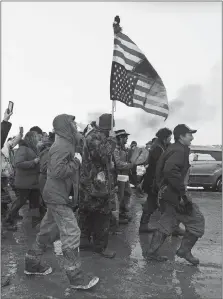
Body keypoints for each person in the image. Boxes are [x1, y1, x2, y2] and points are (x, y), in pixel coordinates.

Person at [24, 114, 99, 291]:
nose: (74, 124)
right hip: (58, 196)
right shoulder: (62, 145)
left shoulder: (66, 142)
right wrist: (76, 162)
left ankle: (31, 264)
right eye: (71, 122)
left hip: (56, 195)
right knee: (72, 233)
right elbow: (58, 171)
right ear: (64, 125)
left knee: (47, 231)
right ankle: (76, 278)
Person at [147, 124, 205, 265]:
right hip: (174, 194)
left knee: (168, 222)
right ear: (181, 136)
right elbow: (170, 171)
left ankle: (151, 252)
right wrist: (182, 194)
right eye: (189, 134)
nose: (192, 137)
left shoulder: (175, 148)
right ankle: (184, 250)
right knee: (197, 222)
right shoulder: (179, 150)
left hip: (168, 193)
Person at [78, 113, 117, 258]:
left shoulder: (94, 135)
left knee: (88, 212)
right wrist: (112, 140)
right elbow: (102, 154)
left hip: (91, 183)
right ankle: (100, 247)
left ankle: (85, 241)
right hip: (96, 185)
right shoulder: (96, 137)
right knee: (102, 215)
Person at [3, 131, 41, 229]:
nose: (38, 139)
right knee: (21, 201)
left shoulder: (32, 149)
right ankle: (8, 220)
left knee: (35, 203)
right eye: (36, 137)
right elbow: (18, 163)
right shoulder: (23, 149)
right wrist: (34, 162)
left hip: (33, 182)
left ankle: (35, 223)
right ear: (31, 138)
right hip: (24, 182)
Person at [139, 128, 172, 233]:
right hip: (154, 181)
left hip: (154, 180)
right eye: (169, 136)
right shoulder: (158, 148)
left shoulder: (159, 146)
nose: (171, 138)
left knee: (153, 203)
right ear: (165, 137)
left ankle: (145, 225)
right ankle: (170, 227)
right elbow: (160, 165)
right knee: (156, 202)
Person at [113, 129, 134, 224]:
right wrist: (129, 165)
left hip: (124, 175)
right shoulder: (115, 149)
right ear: (120, 138)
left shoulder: (122, 149)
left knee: (127, 193)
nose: (127, 140)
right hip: (118, 175)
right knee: (119, 196)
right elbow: (117, 164)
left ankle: (122, 212)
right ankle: (116, 217)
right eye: (125, 138)